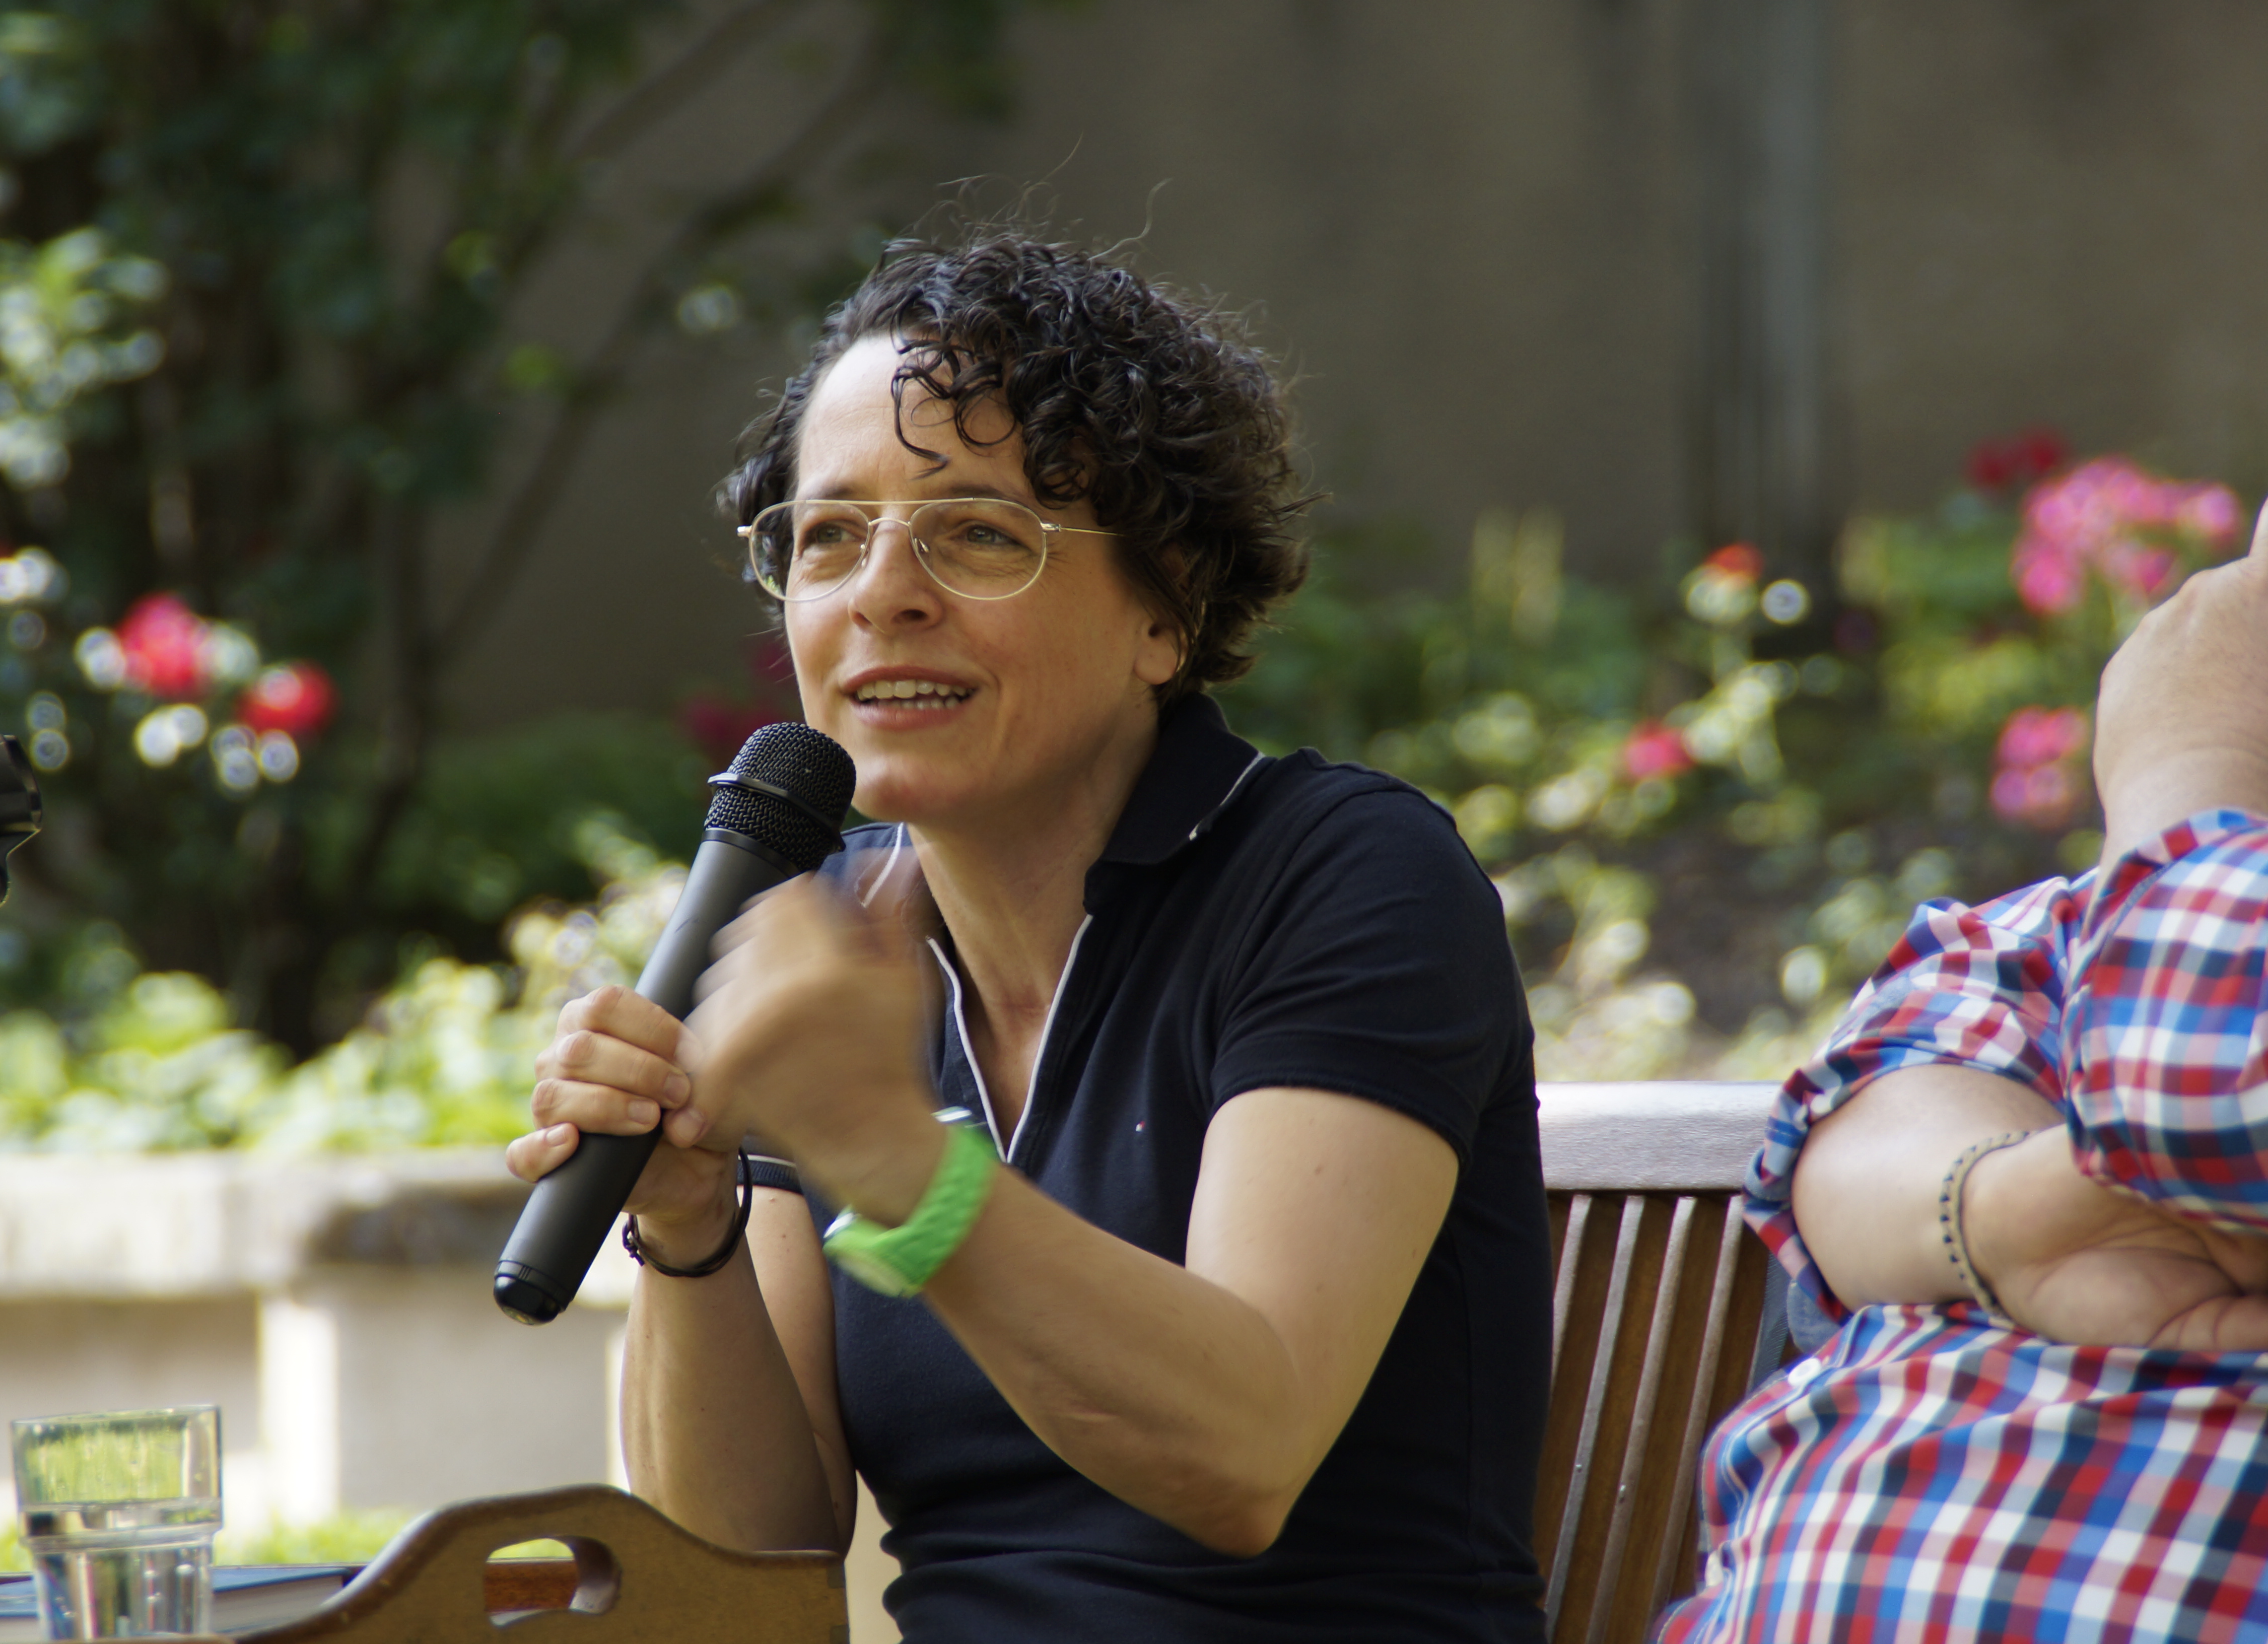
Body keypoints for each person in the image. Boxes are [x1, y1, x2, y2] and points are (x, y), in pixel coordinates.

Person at [504, 232, 1552, 1642]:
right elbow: (747, 1574)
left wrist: (892, 1160)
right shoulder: (819, 942)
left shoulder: (1344, 876)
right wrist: (689, 1231)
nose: (880, 593)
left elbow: (1244, 1455)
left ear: (1164, 615)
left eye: (978, 534)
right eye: (828, 537)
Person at [1659, 509, 2268, 1640]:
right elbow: (1858, 1142)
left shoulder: (2177, 841)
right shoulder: (2067, 929)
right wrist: (2001, 1213)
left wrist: (2192, 768)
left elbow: (2202, 1095)